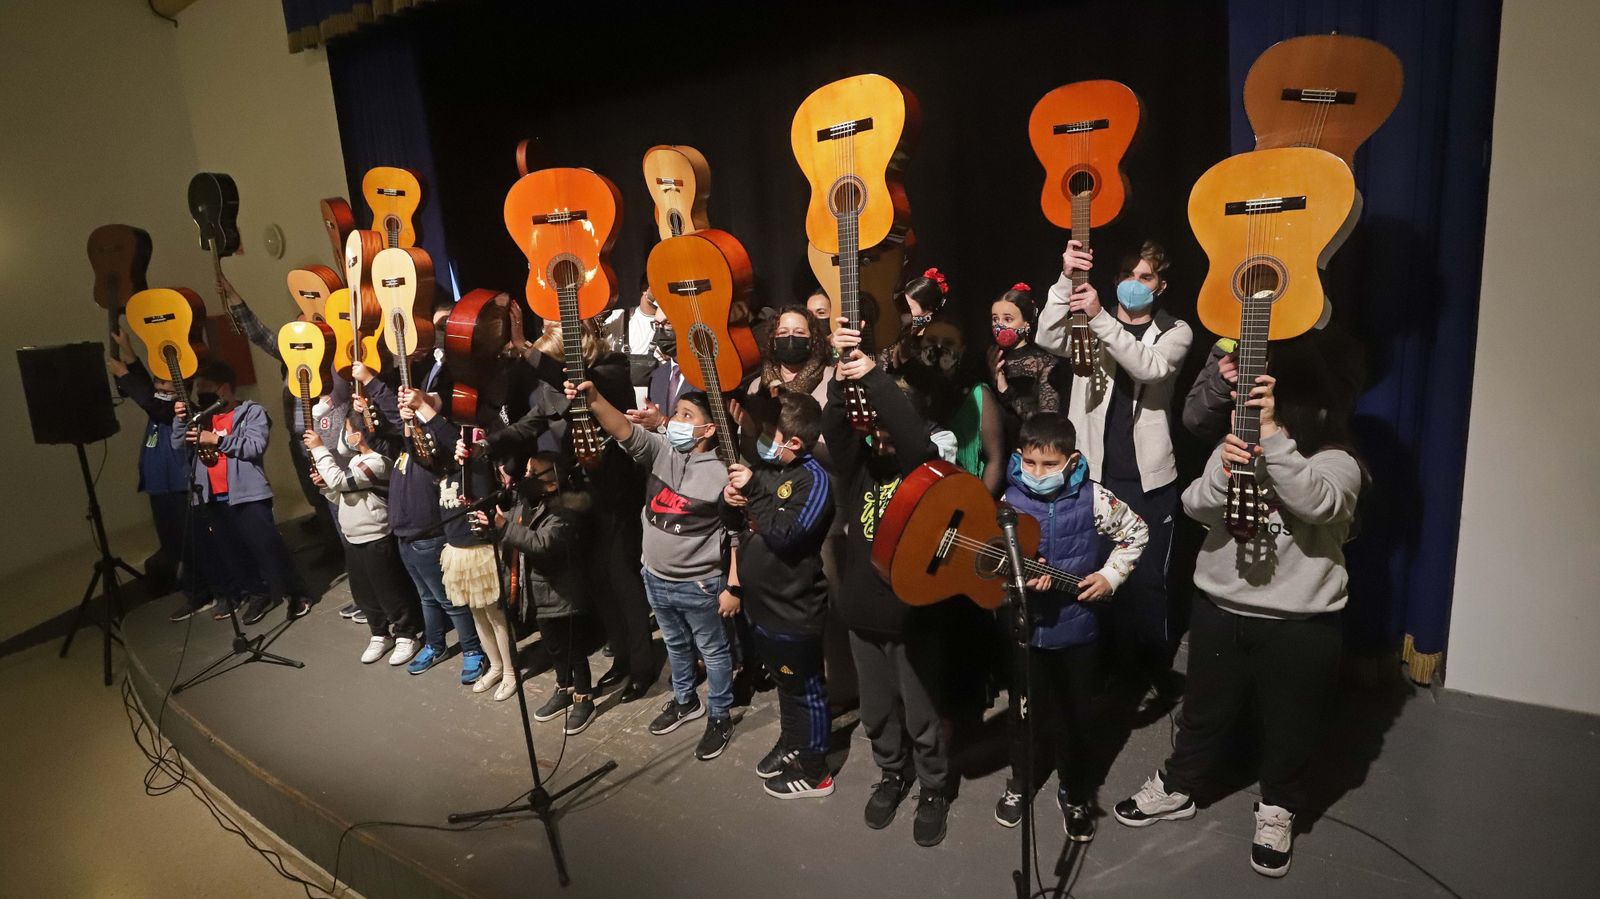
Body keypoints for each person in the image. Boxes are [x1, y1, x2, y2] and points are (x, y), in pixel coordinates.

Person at [1112, 371, 1362, 879]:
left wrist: (1272, 442)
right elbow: (1194, 505)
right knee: (1202, 713)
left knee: (1291, 725)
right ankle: (1179, 787)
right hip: (1221, 607)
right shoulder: (1234, 446)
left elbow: (1317, 504)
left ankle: (1278, 809)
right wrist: (1225, 471)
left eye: (1272, 409)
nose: (1254, 415)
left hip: (1300, 620)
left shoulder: (1337, 462)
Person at [1039, 239, 1193, 707]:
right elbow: (1047, 337)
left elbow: (1150, 368)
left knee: (1145, 582)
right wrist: (1065, 279)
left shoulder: (1174, 330)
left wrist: (1099, 317)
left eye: (1145, 276)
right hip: (1094, 473)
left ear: (1160, 285)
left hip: (1146, 480)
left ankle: (1148, 670)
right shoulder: (1089, 321)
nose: (1134, 283)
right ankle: (1100, 667)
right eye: (1128, 274)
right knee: (1093, 573)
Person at [823, 317, 951, 846]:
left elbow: (912, 436)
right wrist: (841, 377)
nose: (880, 433)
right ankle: (892, 774)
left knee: (921, 714)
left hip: (910, 619)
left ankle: (934, 787)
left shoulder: (923, 472)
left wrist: (875, 378)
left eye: (886, 425)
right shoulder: (860, 471)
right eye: (873, 425)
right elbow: (835, 430)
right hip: (863, 616)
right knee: (877, 712)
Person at [993, 413, 1147, 842]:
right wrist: (1019, 579)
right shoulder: (1007, 503)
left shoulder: (1095, 498)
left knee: (1075, 718)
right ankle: (1021, 781)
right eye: (1030, 463)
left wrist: (1111, 576)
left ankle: (1075, 791)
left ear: (1072, 460)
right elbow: (991, 565)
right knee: (1024, 715)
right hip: (1027, 632)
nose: (1038, 473)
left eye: (1050, 464)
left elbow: (1136, 532)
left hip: (1078, 632)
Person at [568, 377, 738, 760]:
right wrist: (594, 398)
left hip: (699, 585)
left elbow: (736, 536)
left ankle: (719, 716)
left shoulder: (724, 474)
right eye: (676, 413)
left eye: (687, 415)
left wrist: (733, 585)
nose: (675, 421)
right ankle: (685, 700)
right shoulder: (663, 450)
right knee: (675, 645)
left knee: (713, 652)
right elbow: (623, 429)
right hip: (655, 578)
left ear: (710, 429)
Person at [720, 393, 835, 798]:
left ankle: (815, 770)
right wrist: (729, 501)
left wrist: (753, 491)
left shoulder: (814, 481)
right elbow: (741, 521)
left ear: (795, 442)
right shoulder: (770, 469)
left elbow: (787, 536)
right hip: (762, 607)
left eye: (770, 434)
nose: (762, 440)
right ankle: (793, 742)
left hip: (794, 610)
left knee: (807, 690)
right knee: (786, 685)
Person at [172, 359, 312, 624]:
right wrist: (180, 420)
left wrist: (217, 439)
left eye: (205, 388)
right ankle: (258, 593)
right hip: (213, 497)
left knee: (268, 548)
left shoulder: (252, 412)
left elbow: (254, 446)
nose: (200, 394)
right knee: (232, 551)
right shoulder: (201, 417)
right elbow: (179, 444)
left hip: (248, 495)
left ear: (224, 388)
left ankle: (296, 593)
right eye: (199, 390)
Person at [306, 415, 423, 666]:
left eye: (347, 430)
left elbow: (341, 481)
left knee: (390, 590)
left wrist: (319, 449)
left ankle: (406, 634)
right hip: (354, 537)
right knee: (365, 593)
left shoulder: (378, 462)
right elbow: (343, 495)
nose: (344, 437)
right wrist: (326, 487)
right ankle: (379, 633)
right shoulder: (356, 460)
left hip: (376, 536)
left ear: (358, 435)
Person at [392, 378, 488, 684]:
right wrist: (408, 422)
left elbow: (444, 440)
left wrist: (422, 408)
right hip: (406, 537)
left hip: (429, 534)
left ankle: (472, 649)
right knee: (427, 598)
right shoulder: (409, 445)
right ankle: (435, 644)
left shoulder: (441, 448)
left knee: (450, 600)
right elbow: (406, 439)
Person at [499, 452, 598, 736]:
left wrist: (503, 527)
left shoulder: (565, 509)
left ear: (553, 483)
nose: (526, 478)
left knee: (573, 649)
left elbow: (542, 543)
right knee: (553, 646)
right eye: (526, 472)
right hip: (538, 593)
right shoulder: (529, 501)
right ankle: (564, 687)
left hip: (561, 593)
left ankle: (584, 698)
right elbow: (512, 521)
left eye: (533, 474)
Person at [106, 329, 191, 597]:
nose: (160, 387)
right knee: (169, 541)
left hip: (179, 486)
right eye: (158, 382)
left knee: (186, 539)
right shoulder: (160, 403)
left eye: (166, 383)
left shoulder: (180, 409)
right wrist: (128, 352)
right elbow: (148, 390)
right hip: (159, 485)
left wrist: (124, 375)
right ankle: (184, 583)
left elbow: (152, 402)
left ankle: (197, 583)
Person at [916, 317, 1008, 496]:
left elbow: (995, 459)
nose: (939, 348)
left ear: (962, 350)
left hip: (962, 494)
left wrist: (978, 504)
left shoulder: (978, 394)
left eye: (948, 343)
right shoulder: (908, 386)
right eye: (932, 340)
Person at [989, 283, 1063, 423]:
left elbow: (1046, 423)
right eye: (995, 319)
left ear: (1026, 323)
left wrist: (1004, 389)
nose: (999, 326)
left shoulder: (1044, 362)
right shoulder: (989, 357)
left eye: (1008, 319)